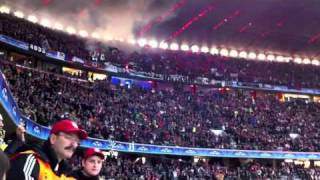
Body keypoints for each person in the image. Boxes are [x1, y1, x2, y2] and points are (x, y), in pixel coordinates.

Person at [6, 119, 88, 180]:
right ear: (53, 139)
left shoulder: (64, 173)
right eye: (69, 137)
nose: (74, 144)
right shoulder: (31, 160)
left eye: (77, 141)